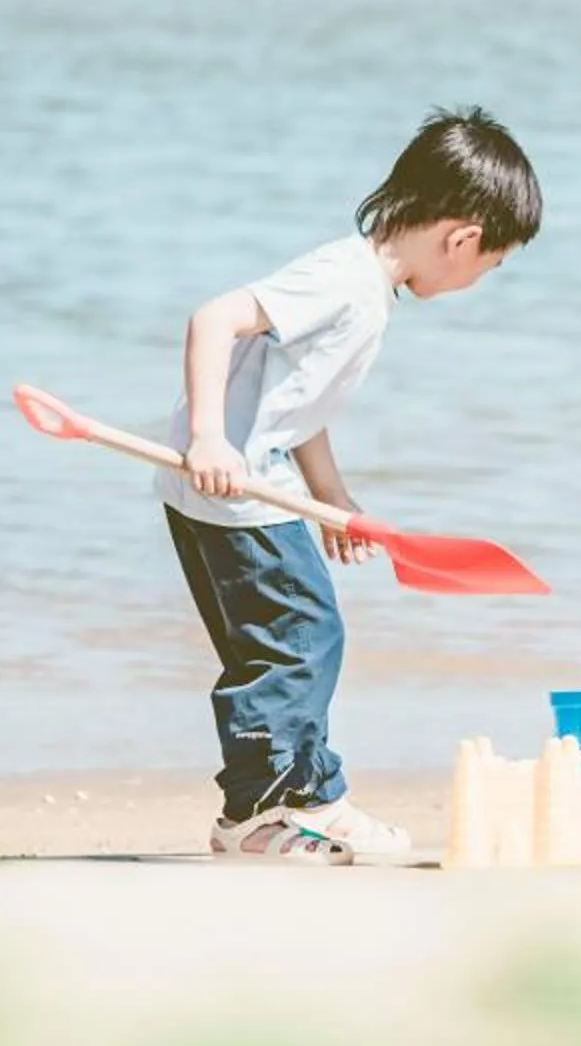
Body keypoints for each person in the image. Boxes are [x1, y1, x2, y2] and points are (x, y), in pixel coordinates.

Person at [162, 107, 542, 864]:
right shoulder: (343, 279)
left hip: (239, 487)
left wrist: (332, 498)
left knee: (289, 641)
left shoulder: (369, 291)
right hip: (232, 488)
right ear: (462, 238)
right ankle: (258, 811)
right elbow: (215, 318)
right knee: (302, 640)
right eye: (491, 265)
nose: (481, 278)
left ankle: (310, 796)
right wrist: (209, 434)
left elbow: (299, 406)